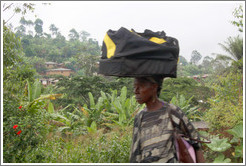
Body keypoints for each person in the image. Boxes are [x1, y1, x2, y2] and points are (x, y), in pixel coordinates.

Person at [129, 76, 205, 163]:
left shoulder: (172, 112)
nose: (135, 91)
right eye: (135, 87)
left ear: (154, 87)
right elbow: (135, 152)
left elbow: (196, 142)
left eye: (140, 86)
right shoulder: (139, 117)